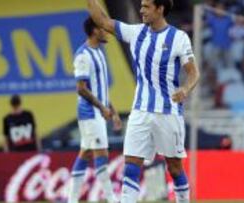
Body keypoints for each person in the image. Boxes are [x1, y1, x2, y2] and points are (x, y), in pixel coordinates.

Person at [86, 0, 200, 203]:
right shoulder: (135, 32)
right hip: (140, 111)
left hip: (168, 112)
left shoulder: (178, 38)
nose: (141, 10)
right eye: (141, 5)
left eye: (146, 6)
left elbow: (193, 73)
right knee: (131, 165)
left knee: (174, 168)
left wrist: (185, 89)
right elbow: (102, 21)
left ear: (160, 8)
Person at [68, 17, 122, 203]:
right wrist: (101, 108)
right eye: (103, 28)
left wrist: (112, 111)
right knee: (101, 154)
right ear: (94, 30)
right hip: (90, 113)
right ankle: (111, 198)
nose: (106, 31)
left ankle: (72, 199)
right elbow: (81, 88)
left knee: (86, 153)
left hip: (98, 112)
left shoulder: (99, 52)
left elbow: (101, 89)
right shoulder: (83, 55)